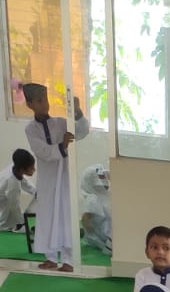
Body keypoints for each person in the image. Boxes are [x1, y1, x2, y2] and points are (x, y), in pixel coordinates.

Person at [23, 82, 89, 270]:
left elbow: (82, 131)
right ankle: (50, 257)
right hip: (47, 180)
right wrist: (62, 146)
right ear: (29, 104)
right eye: (39, 100)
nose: (44, 103)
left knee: (66, 216)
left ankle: (68, 260)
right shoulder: (30, 129)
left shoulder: (61, 123)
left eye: (45, 99)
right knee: (47, 216)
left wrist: (77, 112)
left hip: (65, 177)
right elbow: (42, 151)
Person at [0, 148, 35, 232]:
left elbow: (23, 181)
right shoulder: (12, 183)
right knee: (6, 221)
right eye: (31, 168)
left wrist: (36, 192)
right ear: (22, 169)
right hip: (3, 200)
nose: (34, 169)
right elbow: (14, 206)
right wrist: (22, 222)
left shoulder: (16, 167)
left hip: (4, 197)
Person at [79, 164, 112, 253]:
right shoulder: (93, 198)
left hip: (105, 231)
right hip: (104, 232)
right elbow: (86, 218)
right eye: (101, 177)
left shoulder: (100, 196)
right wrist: (91, 234)